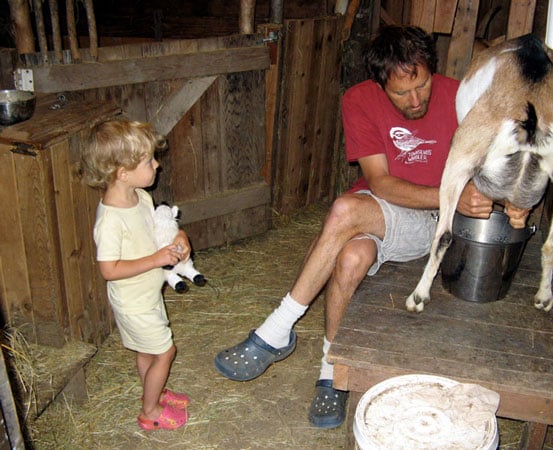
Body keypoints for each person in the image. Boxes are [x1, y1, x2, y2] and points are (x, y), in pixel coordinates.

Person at [214, 25, 529, 429]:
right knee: (351, 256)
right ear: (380, 83)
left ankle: (277, 330)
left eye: (422, 85)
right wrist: (449, 193)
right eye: (401, 93)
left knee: (345, 211)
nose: (416, 101)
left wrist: (509, 202)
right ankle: (331, 371)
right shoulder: (358, 99)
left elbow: (505, 158)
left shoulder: (462, 96)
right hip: (384, 204)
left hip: (434, 220)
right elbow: (379, 183)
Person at [80, 119, 192, 431]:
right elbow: (109, 270)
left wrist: (178, 236)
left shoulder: (140, 197)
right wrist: (156, 259)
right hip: (133, 303)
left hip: (147, 295)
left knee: (148, 352)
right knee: (165, 351)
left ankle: (152, 391)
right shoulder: (111, 221)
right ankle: (150, 411)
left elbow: (158, 229)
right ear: (123, 172)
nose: (156, 164)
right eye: (148, 160)